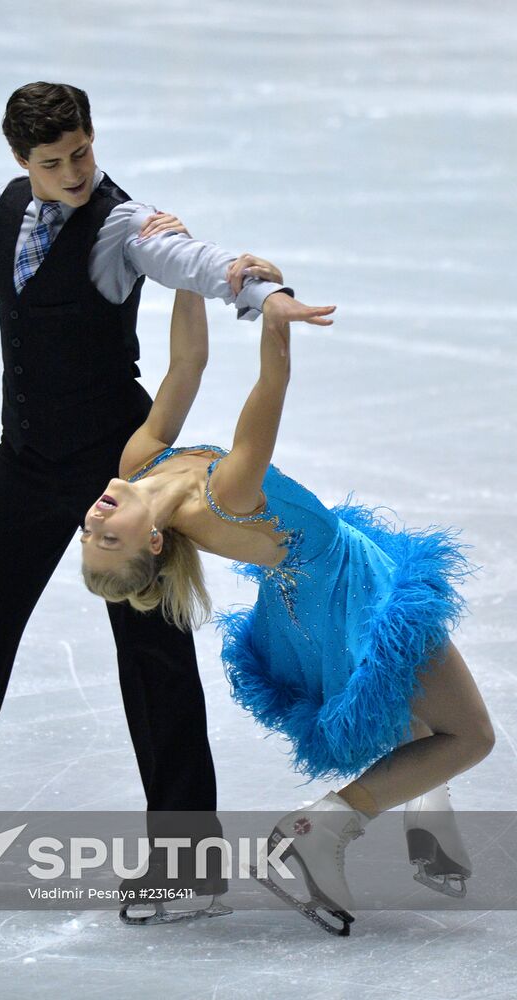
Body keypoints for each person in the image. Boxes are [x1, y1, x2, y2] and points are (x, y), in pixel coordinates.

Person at [0, 81, 307, 911]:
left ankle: (188, 851)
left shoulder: (124, 223)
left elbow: (185, 260)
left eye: (82, 152)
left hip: (116, 469)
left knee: (153, 654)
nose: (74, 172)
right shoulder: (10, 205)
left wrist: (246, 282)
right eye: (52, 163)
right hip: (23, 464)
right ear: (22, 162)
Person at [80, 272, 494, 935]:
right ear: (152, 542)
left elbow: (187, 362)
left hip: (307, 584)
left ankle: (421, 814)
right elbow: (269, 393)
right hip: (344, 588)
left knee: (410, 702)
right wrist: (275, 319)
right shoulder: (225, 496)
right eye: (109, 539)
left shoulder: (138, 462)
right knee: (470, 734)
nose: (95, 521)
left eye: (89, 534)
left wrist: (191, 275)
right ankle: (322, 830)